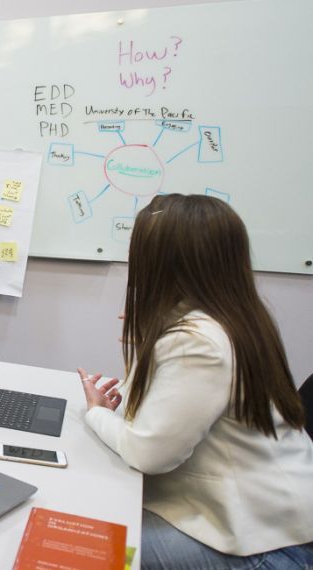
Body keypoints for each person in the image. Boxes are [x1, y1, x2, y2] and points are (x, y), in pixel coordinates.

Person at [78, 194, 313, 569]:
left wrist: (95, 414)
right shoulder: (233, 317)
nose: (131, 260)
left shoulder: (198, 340)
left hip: (265, 546)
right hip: (273, 520)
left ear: (167, 261)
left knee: (81, 548)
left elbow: (148, 454)